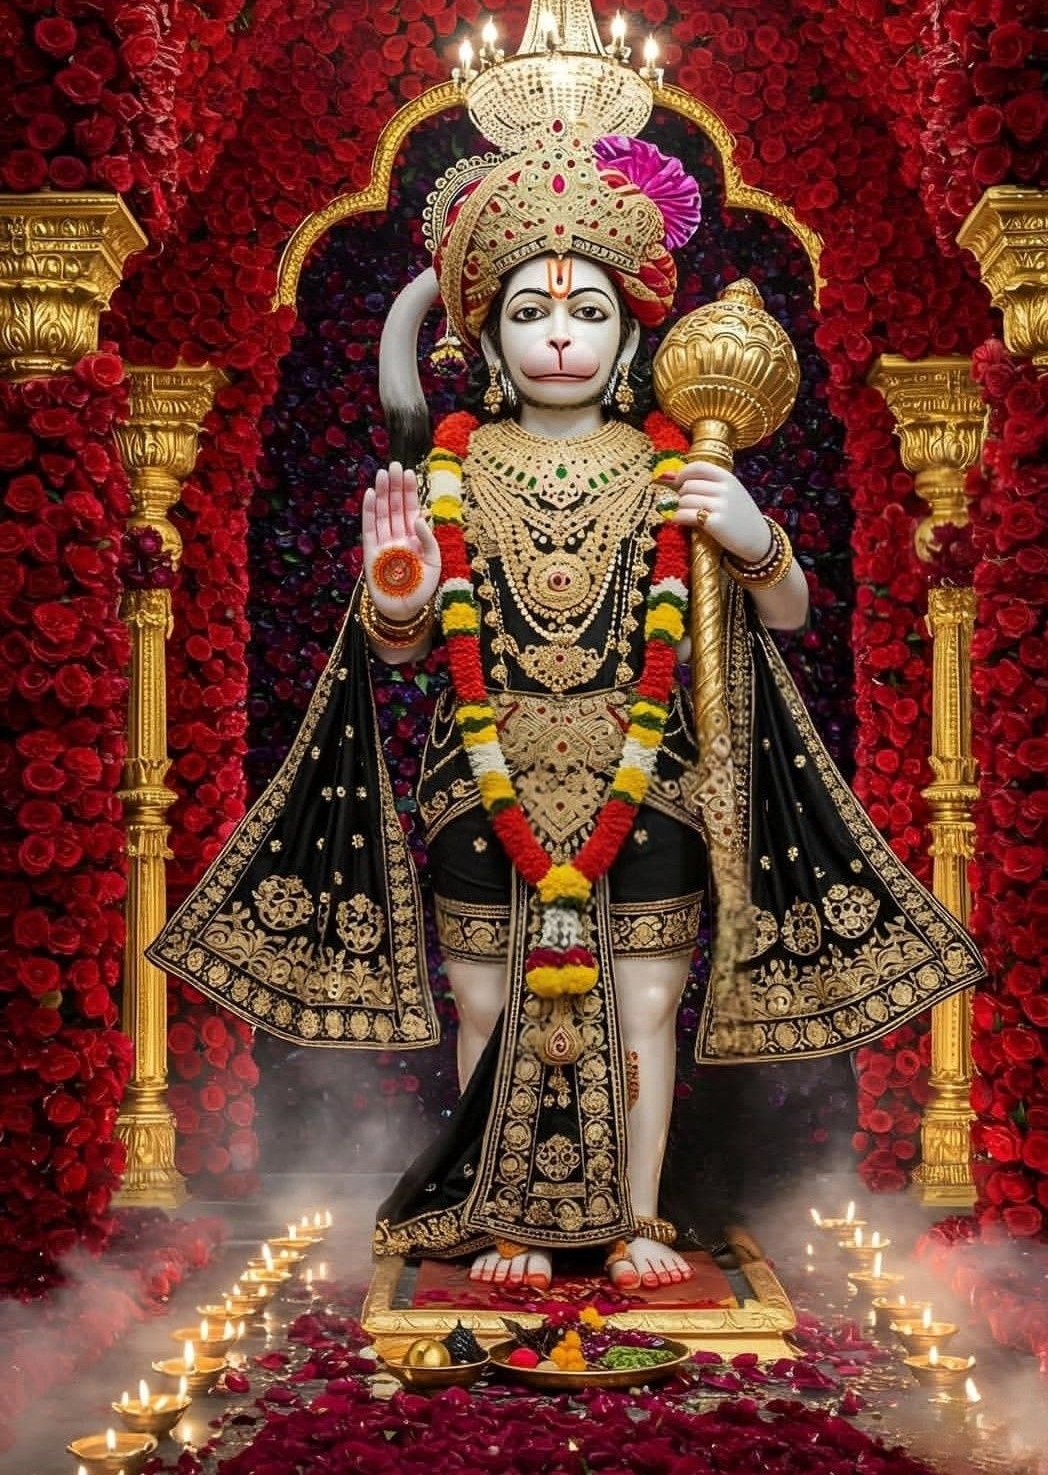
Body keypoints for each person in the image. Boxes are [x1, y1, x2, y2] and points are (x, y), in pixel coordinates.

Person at [149, 124, 984, 1295]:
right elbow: (399, 651)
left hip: (651, 778)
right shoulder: (453, 465)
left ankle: (636, 1216)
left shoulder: (667, 468)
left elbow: (787, 614)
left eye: (588, 313)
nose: (557, 334)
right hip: (479, 778)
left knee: (644, 1004)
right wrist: (395, 589)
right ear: (485, 336)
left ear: (631, 334)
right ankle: (507, 1220)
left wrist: (749, 534)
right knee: (488, 1004)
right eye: (531, 314)